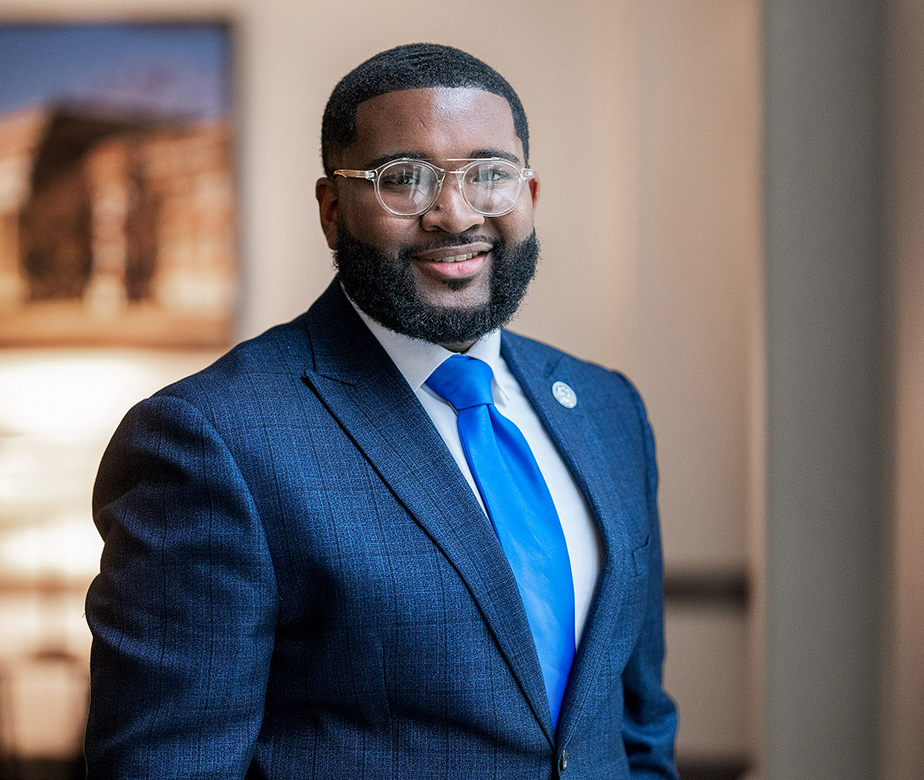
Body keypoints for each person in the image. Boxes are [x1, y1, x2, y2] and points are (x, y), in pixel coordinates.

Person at [85, 43, 678, 779]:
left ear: (529, 194)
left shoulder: (608, 411)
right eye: (405, 179)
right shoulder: (211, 440)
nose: (454, 214)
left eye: (489, 174)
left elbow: (638, 723)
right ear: (333, 210)